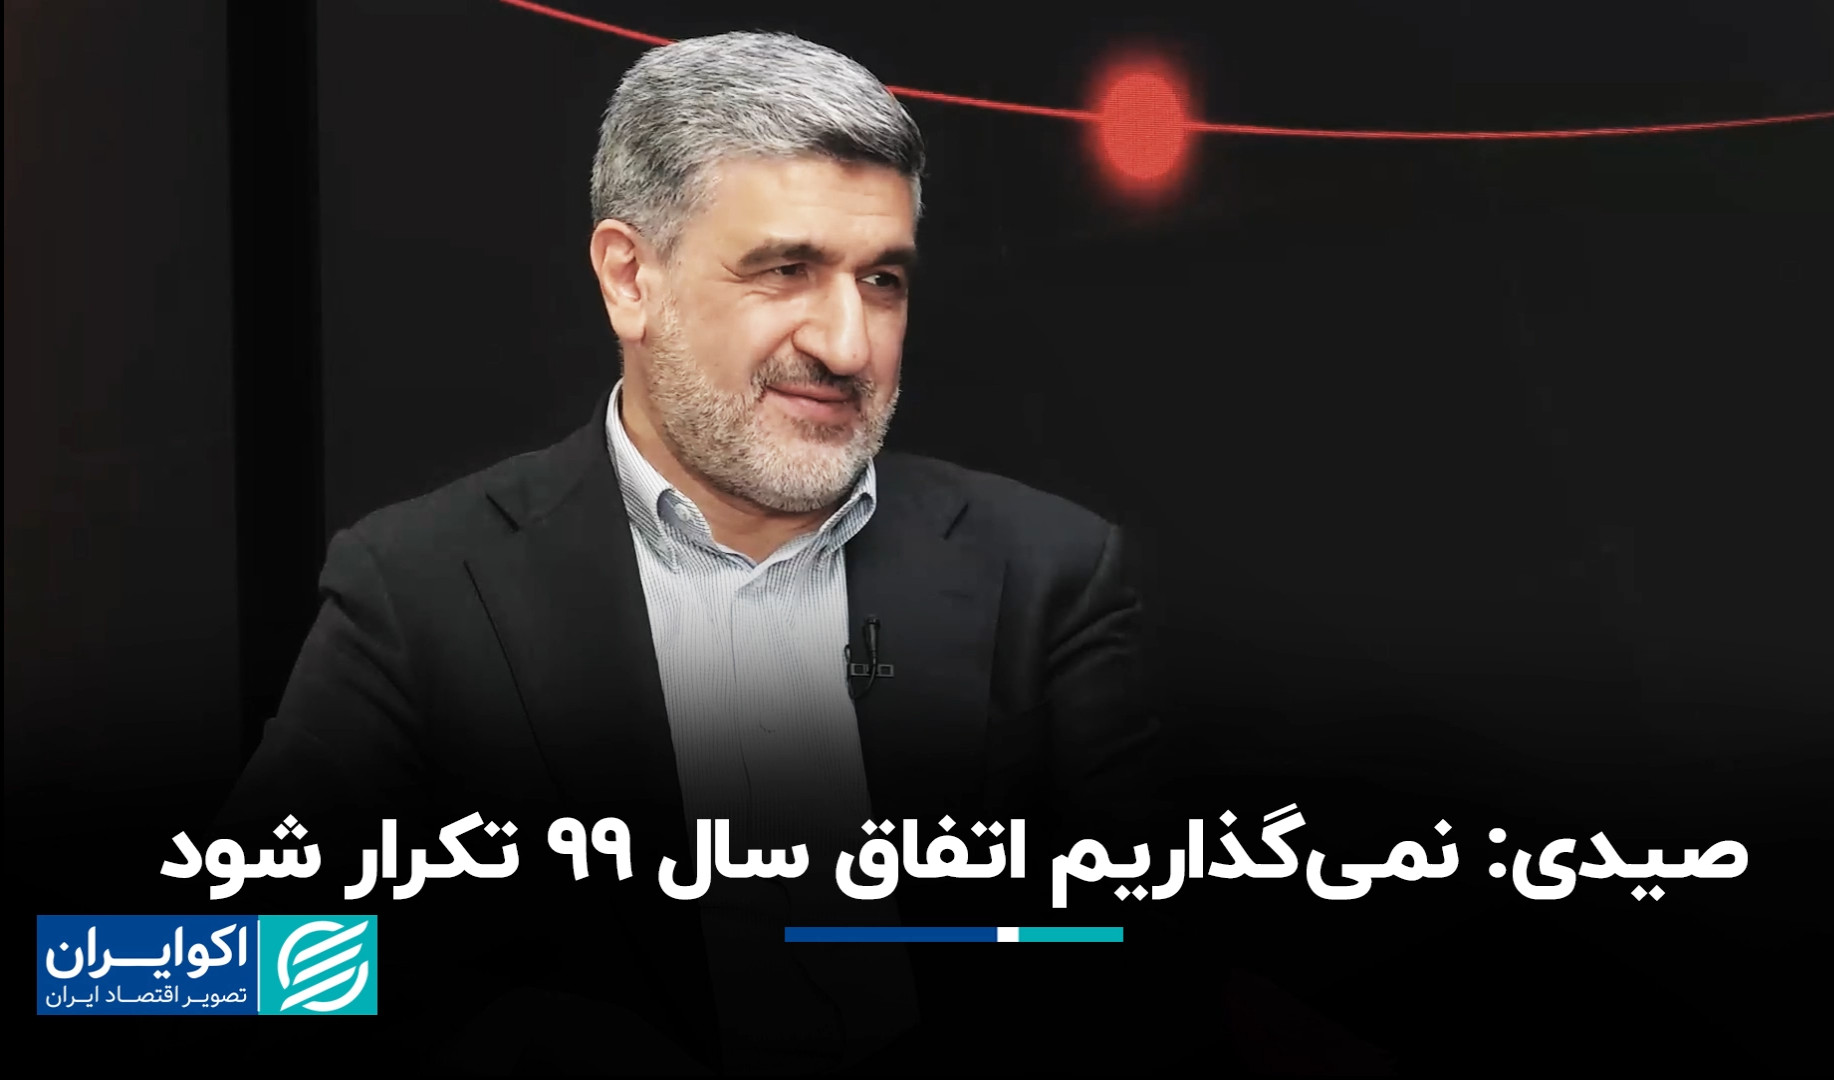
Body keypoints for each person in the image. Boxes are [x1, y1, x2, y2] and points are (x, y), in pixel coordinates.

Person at [219, 30, 1160, 1074]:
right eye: (787, 270)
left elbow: (1151, 957)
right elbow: (218, 963)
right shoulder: (423, 589)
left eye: (883, 280)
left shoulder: (1049, 576)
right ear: (631, 279)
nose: (848, 344)